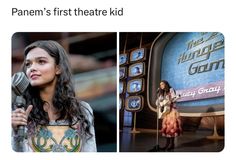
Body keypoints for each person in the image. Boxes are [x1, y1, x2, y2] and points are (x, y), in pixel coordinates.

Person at [11, 40, 97, 152]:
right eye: (28, 64)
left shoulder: (83, 110)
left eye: (41, 62)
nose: (32, 68)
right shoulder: (18, 111)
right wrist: (16, 134)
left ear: (58, 68)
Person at [155, 80, 182, 151]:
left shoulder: (171, 90)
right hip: (166, 112)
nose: (161, 86)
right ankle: (167, 144)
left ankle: (172, 144)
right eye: (160, 85)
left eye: (162, 84)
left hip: (172, 110)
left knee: (172, 128)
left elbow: (174, 98)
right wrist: (160, 103)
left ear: (166, 84)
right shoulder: (162, 93)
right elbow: (157, 102)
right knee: (166, 128)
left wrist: (171, 100)